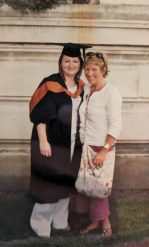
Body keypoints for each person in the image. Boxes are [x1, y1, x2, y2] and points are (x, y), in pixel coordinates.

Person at [29, 43, 89, 238]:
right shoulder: (49, 84)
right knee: (48, 183)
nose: (70, 65)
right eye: (66, 61)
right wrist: (43, 141)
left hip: (72, 145)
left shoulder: (81, 87)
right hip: (51, 143)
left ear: (80, 64)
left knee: (64, 182)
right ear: (60, 62)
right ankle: (40, 223)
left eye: (74, 61)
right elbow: (39, 115)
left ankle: (60, 221)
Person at [75, 51, 122, 237]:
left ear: (103, 70)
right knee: (88, 188)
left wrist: (104, 150)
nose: (89, 73)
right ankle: (95, 221)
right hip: (86, 146)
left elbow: (116, 125)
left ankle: (105, 223)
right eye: (86, 69)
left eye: (94, 69)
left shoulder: (111, 93)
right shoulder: (87, 89)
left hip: (101, 148)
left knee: (99, 190)